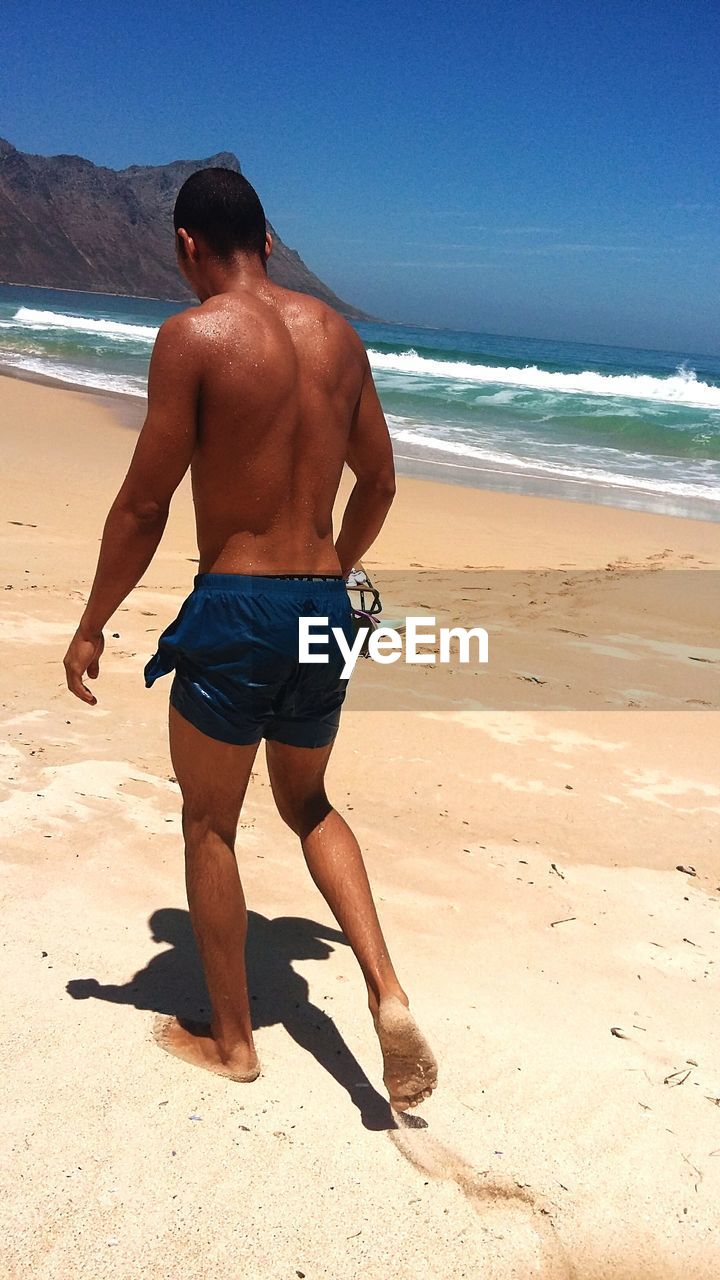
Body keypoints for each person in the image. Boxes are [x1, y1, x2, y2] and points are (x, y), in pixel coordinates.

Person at [63, 168, 437, 1112]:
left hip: (236, 607)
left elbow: (146, 504)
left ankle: (234, 1044)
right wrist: (333, 572)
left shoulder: (192, 338)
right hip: (322, 605)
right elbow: (381, 483)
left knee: (210, 821)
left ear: (187, 245)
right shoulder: (340, 337)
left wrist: (93, 622)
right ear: (268, 241)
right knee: (309, 805)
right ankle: (386, 990)